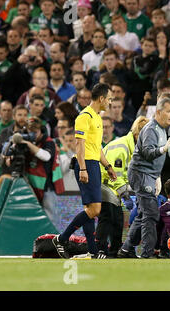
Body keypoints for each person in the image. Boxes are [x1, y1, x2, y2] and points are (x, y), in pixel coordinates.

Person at [51, 83, 117, 259]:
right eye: (109, 99)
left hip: (93, 163)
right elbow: (79, 145)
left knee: (89, 209)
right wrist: (83, 169)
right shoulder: (84, 117)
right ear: (101, 98)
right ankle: (62, 238)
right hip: (85, 164)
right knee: (95, 209)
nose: (110, 102)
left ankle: (92, 252)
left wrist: (108, 166)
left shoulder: (96, 117)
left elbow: (97, 147)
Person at [117, 96, 170, 259]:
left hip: (147, 174)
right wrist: (163, 149)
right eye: (169, 111)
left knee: (144, 213)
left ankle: (126, 249)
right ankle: (147, 254)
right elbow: (148, 152)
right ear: (158, 112)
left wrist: (156, 177)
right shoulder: (152, 129)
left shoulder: (161, 129)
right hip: (141, 174)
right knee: (151, 214)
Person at [96, 116, 149, 258]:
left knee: (117, 219)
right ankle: (100, 250)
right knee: (107, 216)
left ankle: (114, 251)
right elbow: (115, 174)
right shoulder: (121, 147)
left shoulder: (134, 148)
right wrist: (125, 194)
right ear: (138, 135)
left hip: (112, 186)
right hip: (103, 183)